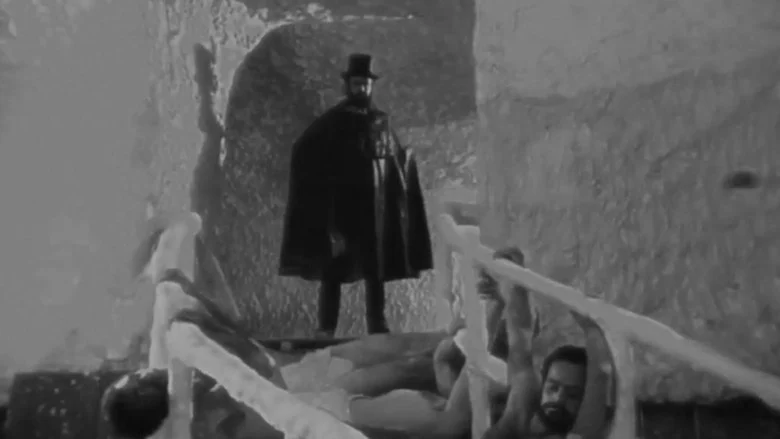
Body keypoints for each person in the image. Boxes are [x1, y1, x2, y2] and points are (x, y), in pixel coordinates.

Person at [278, 52, 434, 337]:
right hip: (342, 208)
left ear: (371, 86)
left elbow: (392, 159)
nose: (361, 89)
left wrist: (405, 162)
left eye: (365, 84)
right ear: (348, 86)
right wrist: (322, 200)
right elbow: (305, 151)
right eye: (356, 84)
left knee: (376, 270)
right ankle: (326, 328)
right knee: (333, 270)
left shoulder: (381, 121)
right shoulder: (333, 122)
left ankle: (377, 326)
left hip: (375, 210)